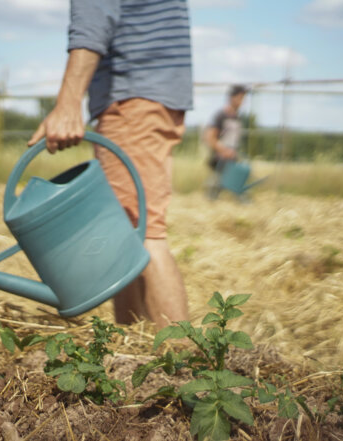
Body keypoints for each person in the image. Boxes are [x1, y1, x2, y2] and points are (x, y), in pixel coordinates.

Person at [27, 0, 192, 329]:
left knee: (143, 232)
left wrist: (68, 102)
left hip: (132, 96)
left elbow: (93, 18)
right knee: (129, 230)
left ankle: (182, 368)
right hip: (149, 92)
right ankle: (134, 350)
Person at [203, 85, 248, 199]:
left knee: (233, 186)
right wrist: (223, 150)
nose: (242, 101)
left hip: (232, 158)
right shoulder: (221, 115)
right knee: (217, 186)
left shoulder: (238, 117)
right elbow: (210, 138)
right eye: (240, 98)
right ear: (232, 98)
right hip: (220, 159)